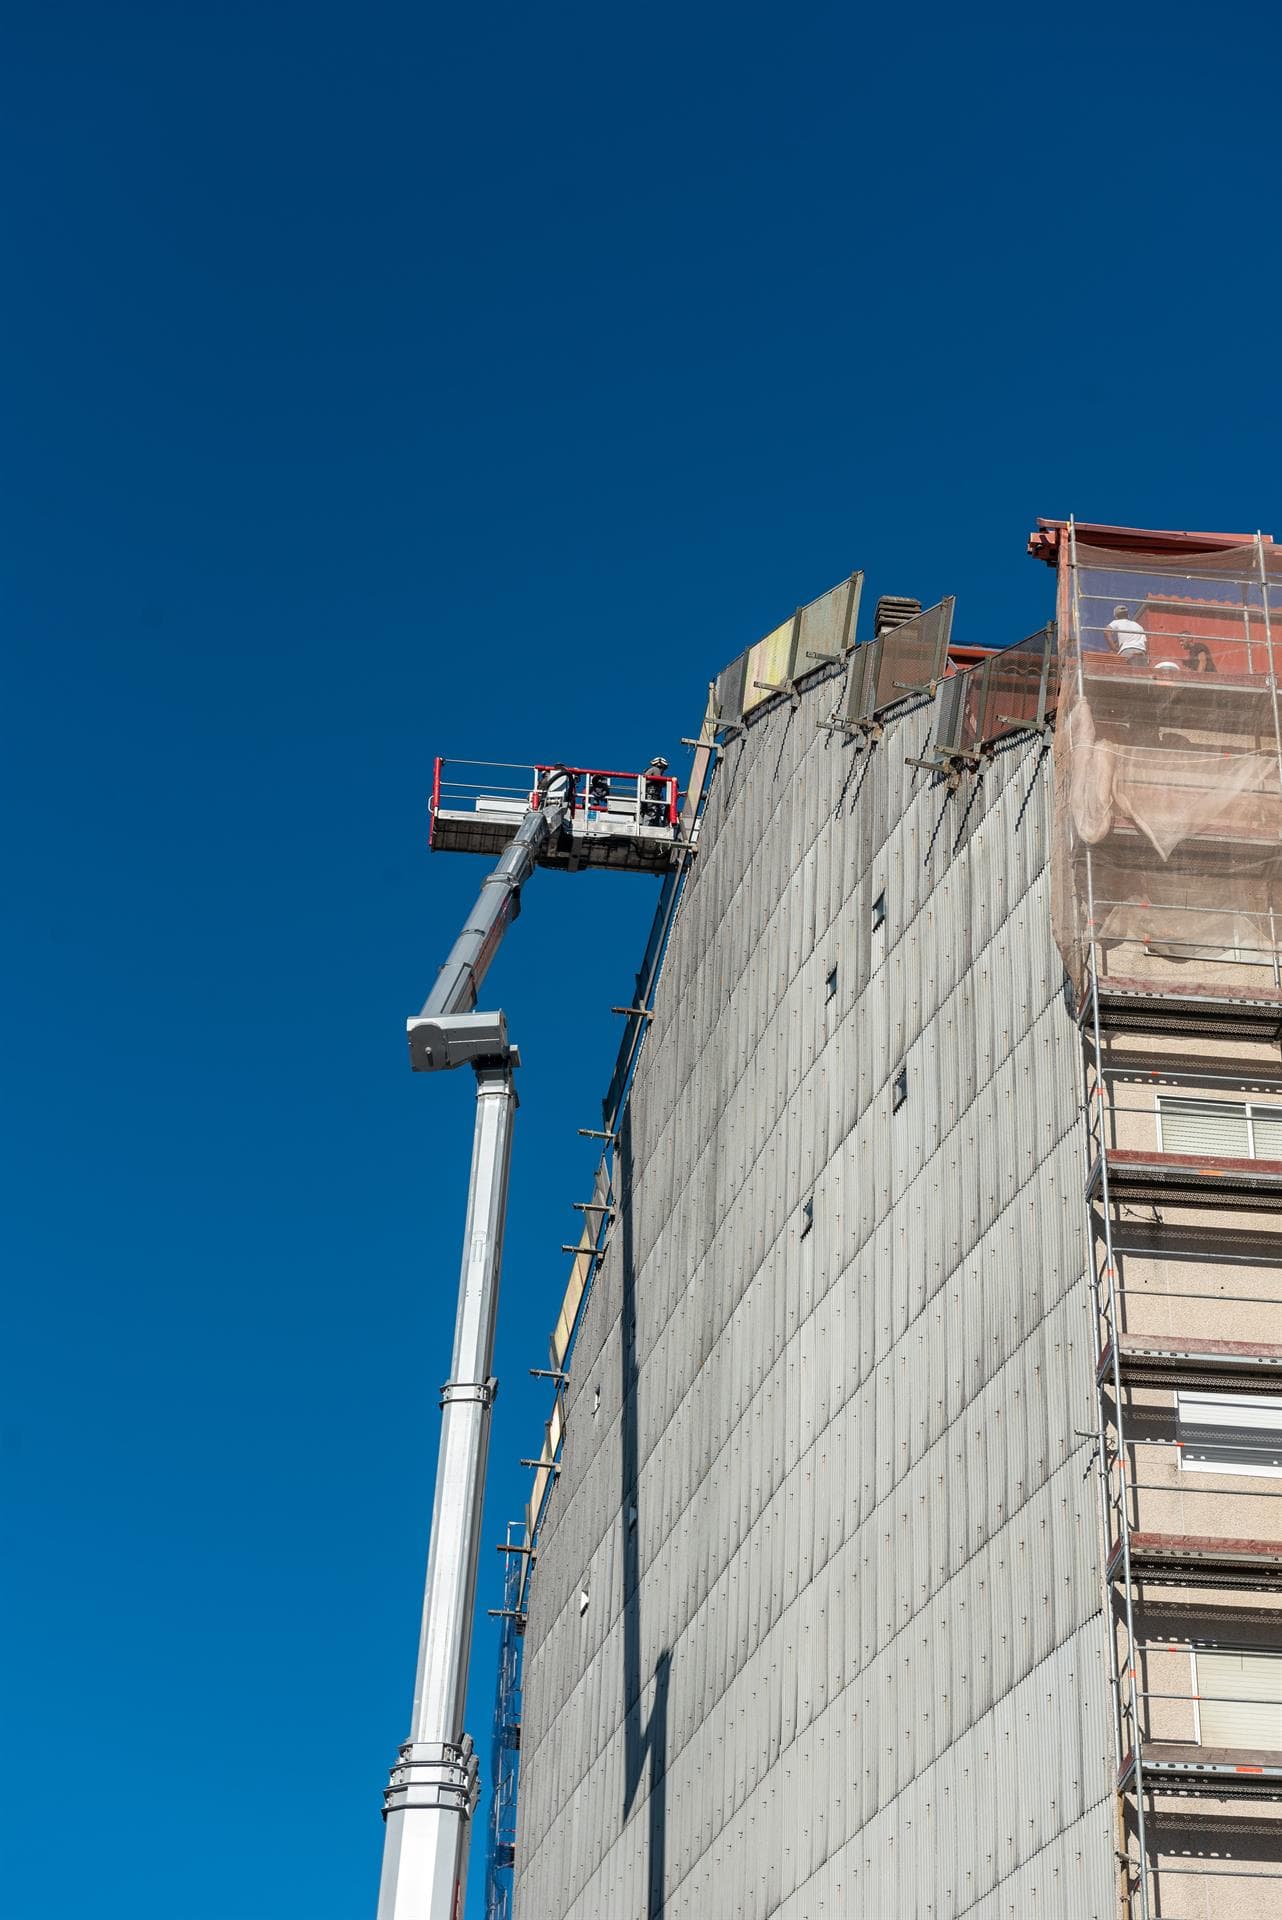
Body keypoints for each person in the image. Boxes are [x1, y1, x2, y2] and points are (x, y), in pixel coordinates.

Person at [641, 754, 670, 827]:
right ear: (660, 765)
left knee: (654, 813)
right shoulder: (655, 769)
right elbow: (660, 780)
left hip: (649, 797)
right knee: (652, 813)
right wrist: (670, 782)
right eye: (663, 768)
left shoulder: (650, 770)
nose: (663, 770)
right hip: (651, 797)